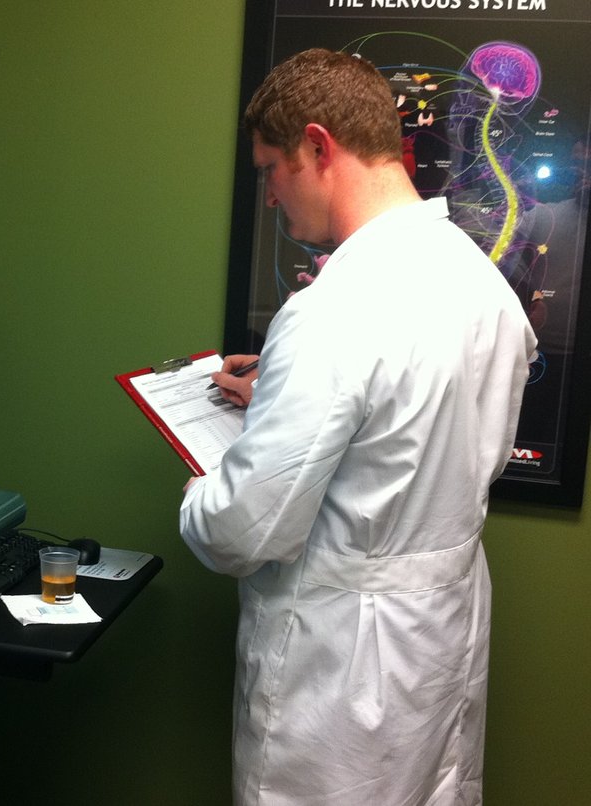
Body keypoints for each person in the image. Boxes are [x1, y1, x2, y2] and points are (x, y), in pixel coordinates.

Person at [179, 49, 536, 806]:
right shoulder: (482, 284)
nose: (270, 198)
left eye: (270, 169)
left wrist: (202, 486)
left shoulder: (330, 313)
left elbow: (244, 532)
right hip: (440, 638)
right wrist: (282, 397)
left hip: (341, 670)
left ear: (317, 147)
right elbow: (450, 442)